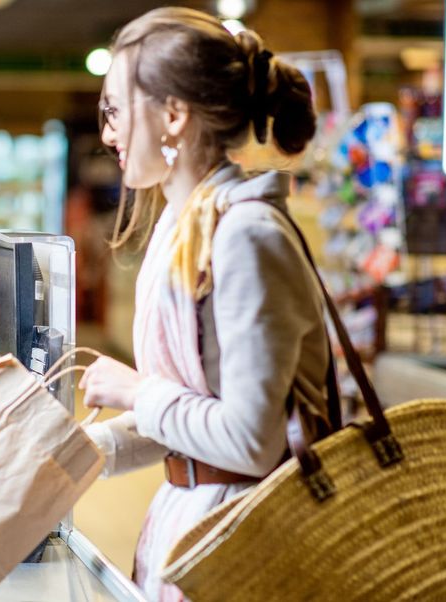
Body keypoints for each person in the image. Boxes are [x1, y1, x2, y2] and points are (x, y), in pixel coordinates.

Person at [78, 8, 332, 601]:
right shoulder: (184, 223)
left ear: (173, 115)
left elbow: (248, 442)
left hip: (249, 548)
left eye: (115, 110)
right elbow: (192, 418)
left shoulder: (245, 235)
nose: (109, 133)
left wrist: (136, 392)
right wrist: (93, 450)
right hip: (197, 526)